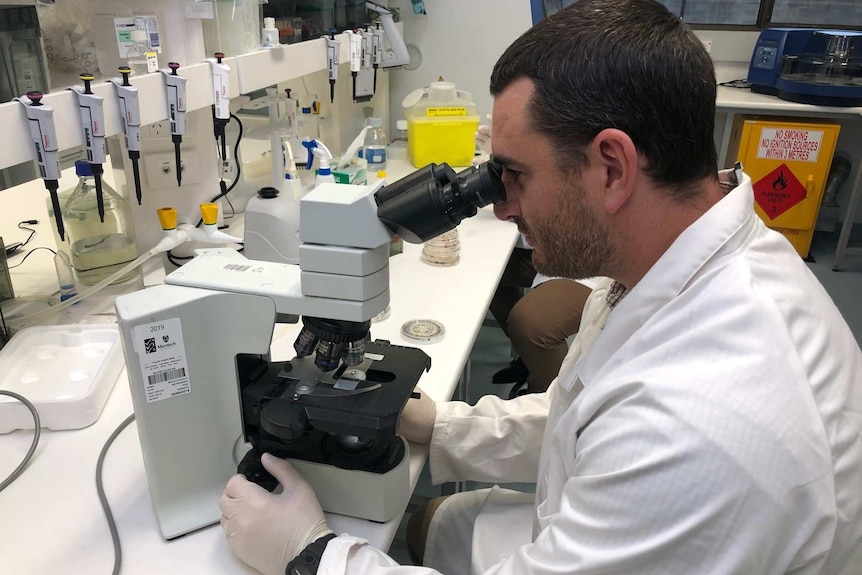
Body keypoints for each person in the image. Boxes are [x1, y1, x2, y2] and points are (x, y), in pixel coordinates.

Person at [219, 1, 862, 574]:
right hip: (618, 523)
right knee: (428, 524)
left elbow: (640, 431)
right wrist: (436, 424)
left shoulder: (698, 426)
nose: (502, 207)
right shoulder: (680, 259)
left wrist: (307, 554)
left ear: (612, 168)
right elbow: (582, 412)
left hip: (665, 533)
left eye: (514, 176)